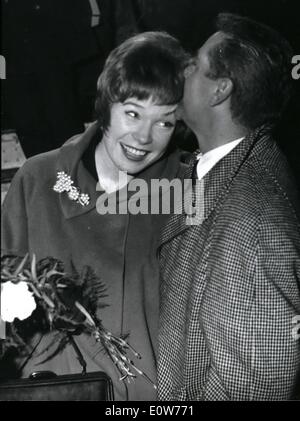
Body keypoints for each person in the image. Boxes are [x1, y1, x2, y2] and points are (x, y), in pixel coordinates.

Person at [1, 31, 188, 400]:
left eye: (164, 122)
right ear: (106, 105)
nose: (144, 137)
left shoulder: (185, 190)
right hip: (52, 391)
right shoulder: (39, 179)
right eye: (132, 113)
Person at [158, 13, 300, 400]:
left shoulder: (249, 222)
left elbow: (255, 388)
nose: (182, 72)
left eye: (193, 66)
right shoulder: (228, 168)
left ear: (219, 91)